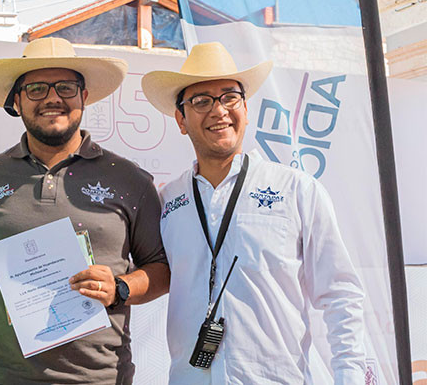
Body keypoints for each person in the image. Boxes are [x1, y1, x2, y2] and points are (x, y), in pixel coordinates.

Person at [140, 42, 366, 383]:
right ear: (181, 120)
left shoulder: (297, 190)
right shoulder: (168, 200)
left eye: (229, 97)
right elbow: (153, 274)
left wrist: (349, 376)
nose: (219, 111)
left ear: (246, 108)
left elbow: (340, 293)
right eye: (201, 101)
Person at [0, 37, 170, 384]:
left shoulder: (130, 179)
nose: (53, 98)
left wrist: (120, 287)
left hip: (100, 378)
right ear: (17, 100)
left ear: (84, 97)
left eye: (66, 87)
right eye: (37, 88)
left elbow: (161, 269)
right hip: (5, 376)